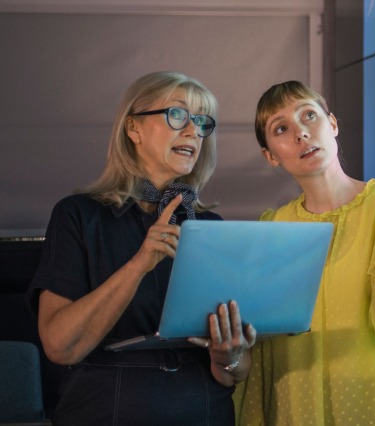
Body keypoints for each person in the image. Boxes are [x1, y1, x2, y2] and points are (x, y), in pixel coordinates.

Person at [27, 71, 256, 425]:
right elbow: (60, 346)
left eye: (201, 121)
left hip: (203, 410)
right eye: (177, 115)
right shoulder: (78, 215)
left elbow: (234, 373)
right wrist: (139, 264)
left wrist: (230, 354)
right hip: (108, 409)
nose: (193, 131)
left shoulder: (211, 228)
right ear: (133, 128)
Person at [234, 81, 375, 425]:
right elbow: (260, 344)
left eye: (309, 116)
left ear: (332, 124)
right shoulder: (272, 227)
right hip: (298, 404)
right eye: (281, 128)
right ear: (270, 155)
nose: (300, 133)